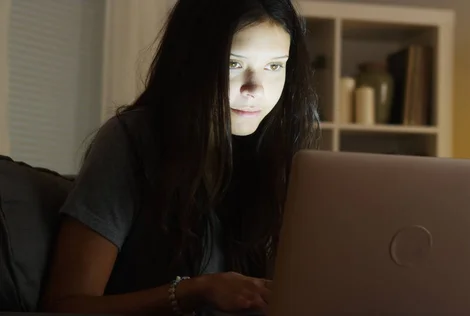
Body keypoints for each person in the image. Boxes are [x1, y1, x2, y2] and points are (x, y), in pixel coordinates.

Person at [41, 0, 320, 315]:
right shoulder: (132, 140)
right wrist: (194, 290)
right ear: (192, 64)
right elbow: (65, 306)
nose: (254, 88)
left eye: (274, 66)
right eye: (233, 64)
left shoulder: (280, 154)